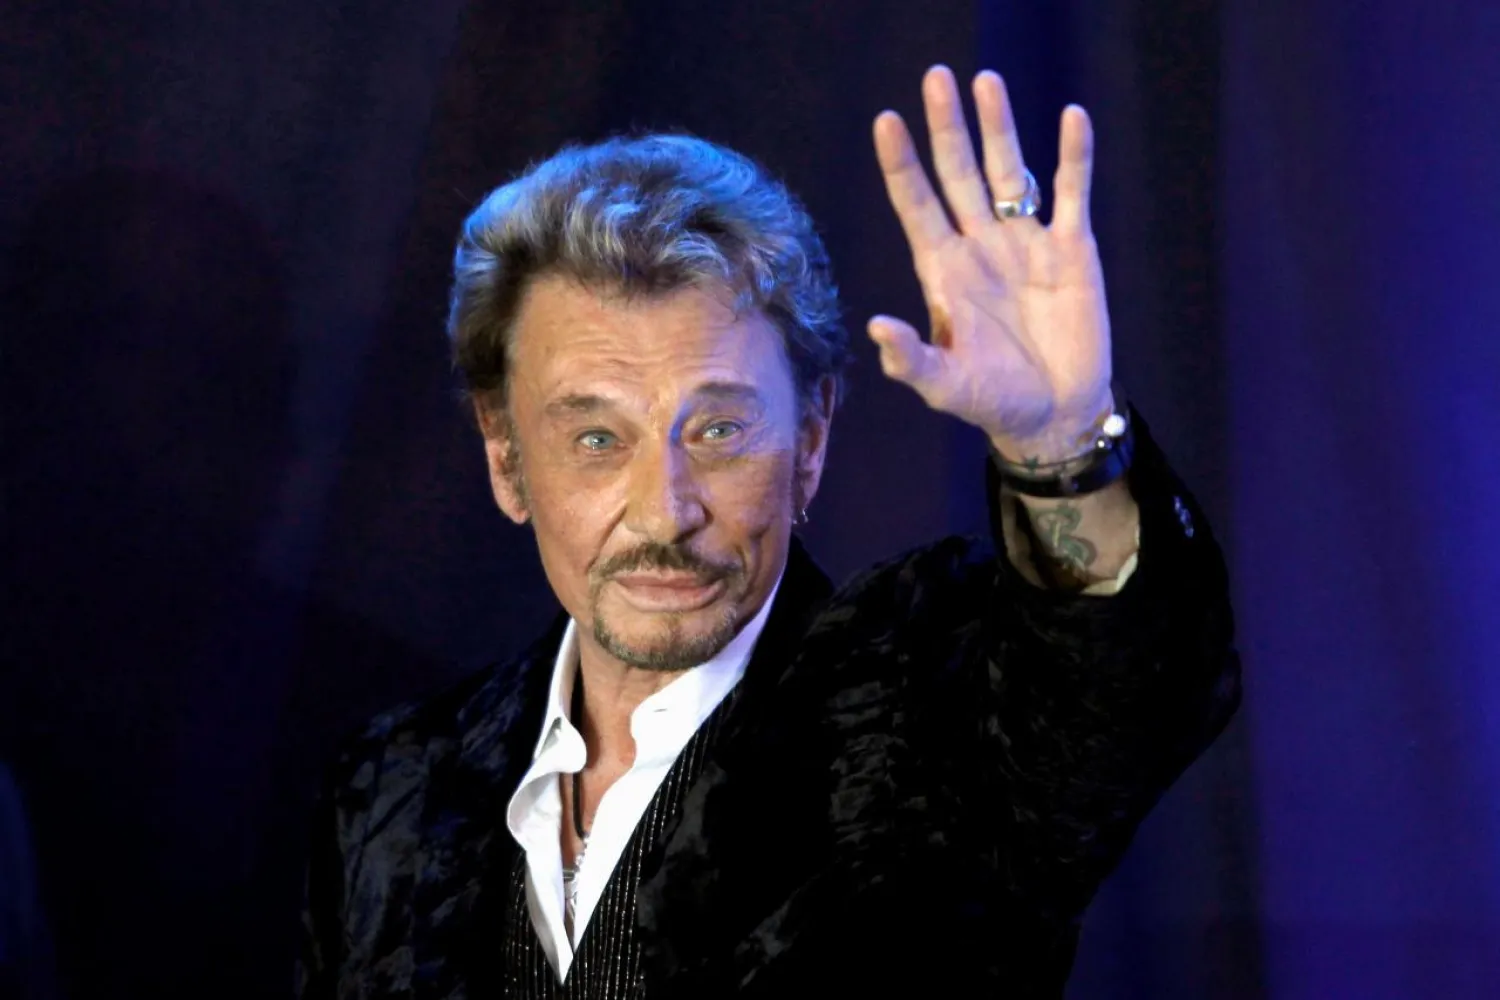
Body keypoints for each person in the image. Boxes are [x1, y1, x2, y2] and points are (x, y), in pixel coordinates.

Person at [297, 65, 1240, 998]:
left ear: (812, 439)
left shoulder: (939, 720)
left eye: (718, 431)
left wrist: (1061, 445)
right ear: (506, 459)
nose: (666, 510)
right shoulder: (394, 795)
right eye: (596, 439)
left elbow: (1121, 682)